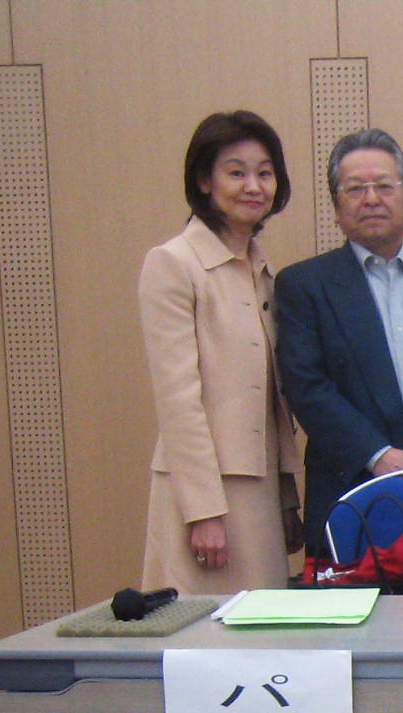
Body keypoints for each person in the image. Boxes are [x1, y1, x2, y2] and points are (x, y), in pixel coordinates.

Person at [276, 128, 403, 558]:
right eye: (354, 189)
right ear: (336, 209)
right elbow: (307, 388)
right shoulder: (303, 285)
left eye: (384, 186)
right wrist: (379, 455)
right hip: (349, 491)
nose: (370, 199)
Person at [138, 110, 301, 592]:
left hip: (261, 489)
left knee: (264, 629)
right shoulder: (173, 263)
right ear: (204, 181)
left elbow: (272, 401)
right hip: (207, 496)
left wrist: (287, 496)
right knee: (206, 631)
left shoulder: (261, 270)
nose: (254, 186)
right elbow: (178, 400)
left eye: (265, 173)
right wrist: (203, 512)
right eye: (236, 172)